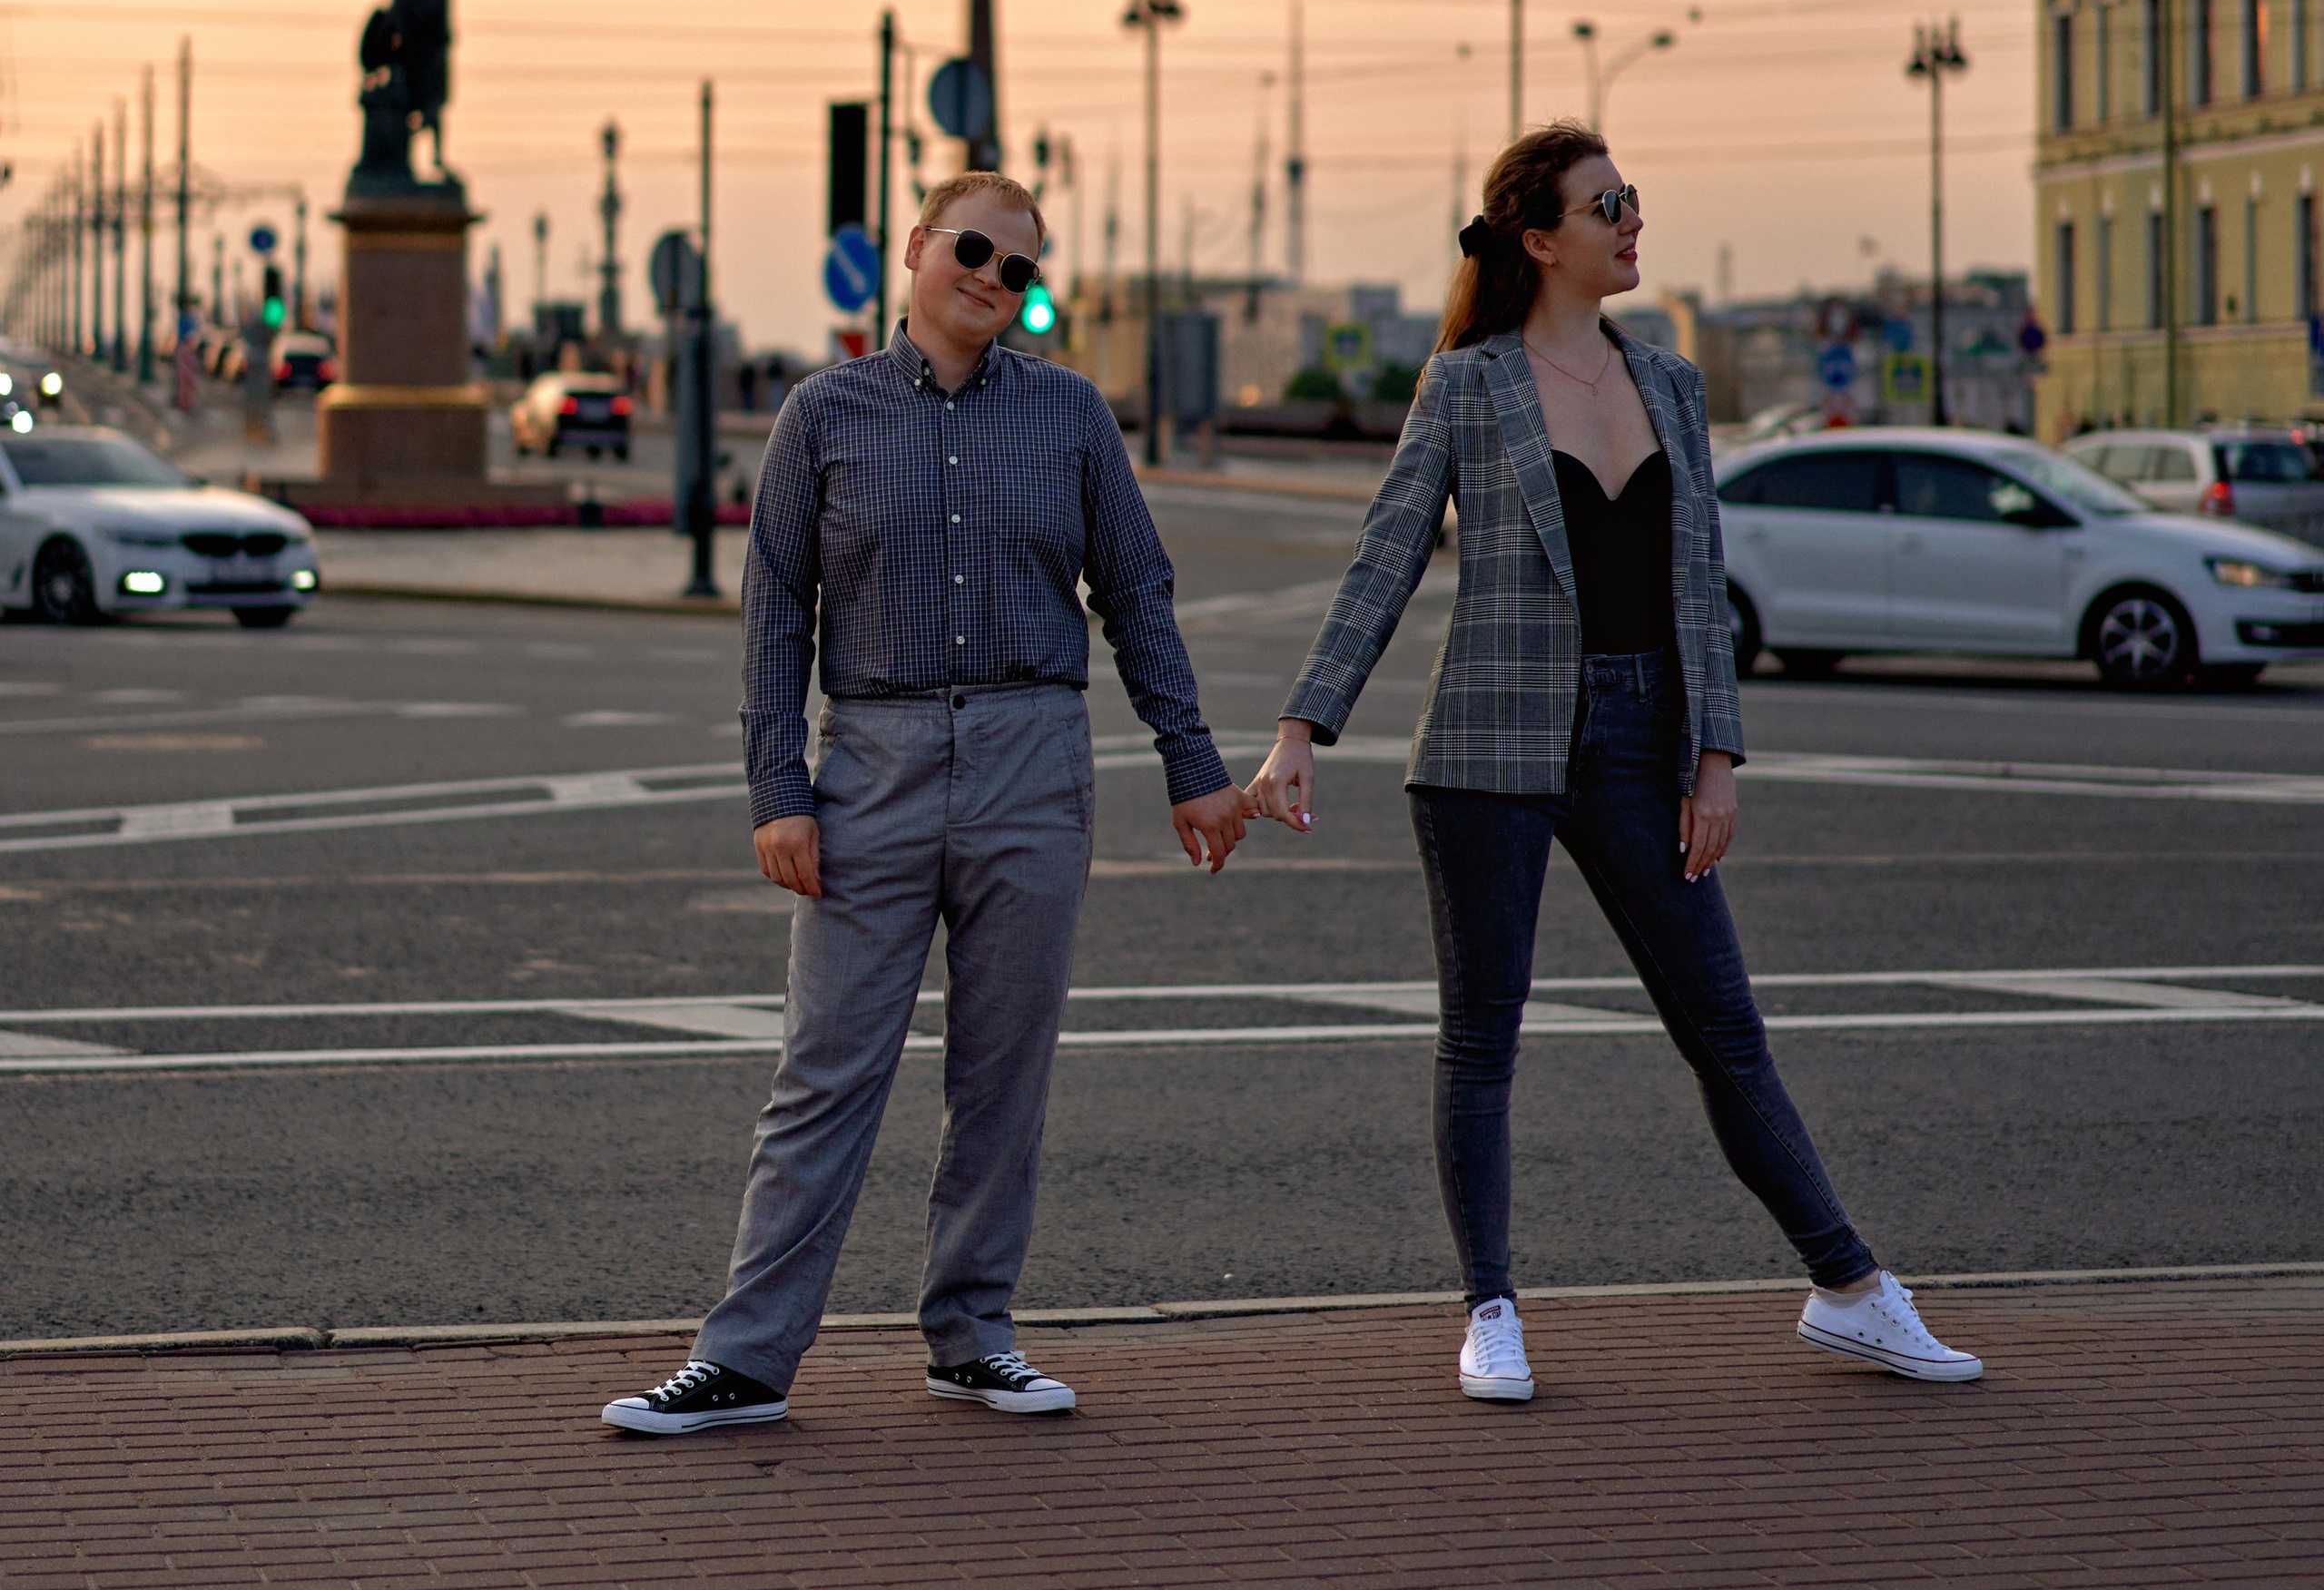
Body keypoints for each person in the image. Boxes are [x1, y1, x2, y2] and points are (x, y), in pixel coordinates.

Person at [1246, 122, 1980, 1404]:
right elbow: (1385, 557)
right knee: (1482, 1040)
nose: (1634, 221)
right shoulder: (1469, 385)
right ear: (1540, 241)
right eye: (1608, 205)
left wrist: (1717, 757)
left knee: (1726, 1031)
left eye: (1631, 199)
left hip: (1646, 740)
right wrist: (1304, 725)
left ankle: (1852, 1292)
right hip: (1490, 739)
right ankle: (1490, 1312)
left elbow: (1698, 584)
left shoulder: (1675, 385)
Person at [604, 172, 1248, 1437]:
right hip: (874, 765)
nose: (992, 281)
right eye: (973, 250)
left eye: (1021, 271)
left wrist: (1192, 765)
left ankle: (973, 1335)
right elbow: (776, 610)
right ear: (916, 248)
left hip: (1032, 758)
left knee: (1004, 1071)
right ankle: (744, 1360)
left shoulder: (1068, 417)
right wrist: (778, 790)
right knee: (824, 1072)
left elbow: (1138, 594)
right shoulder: (821, 413)